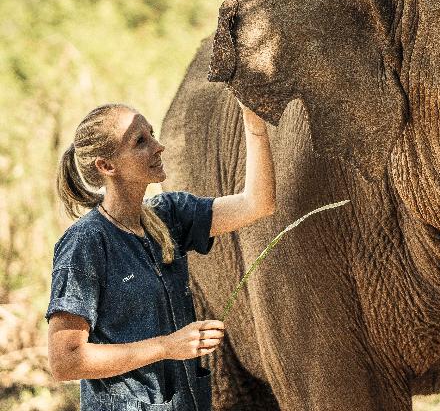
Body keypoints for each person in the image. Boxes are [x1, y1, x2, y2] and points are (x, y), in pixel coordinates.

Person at [46, 100, 276, 411]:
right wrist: (168, 346)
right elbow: (66, 361)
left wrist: (254, 123)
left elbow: (257, 204)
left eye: (152, 134)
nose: (159, 146)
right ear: (106, 166)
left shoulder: (170, 215)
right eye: (141, 141)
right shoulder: (85, 244)